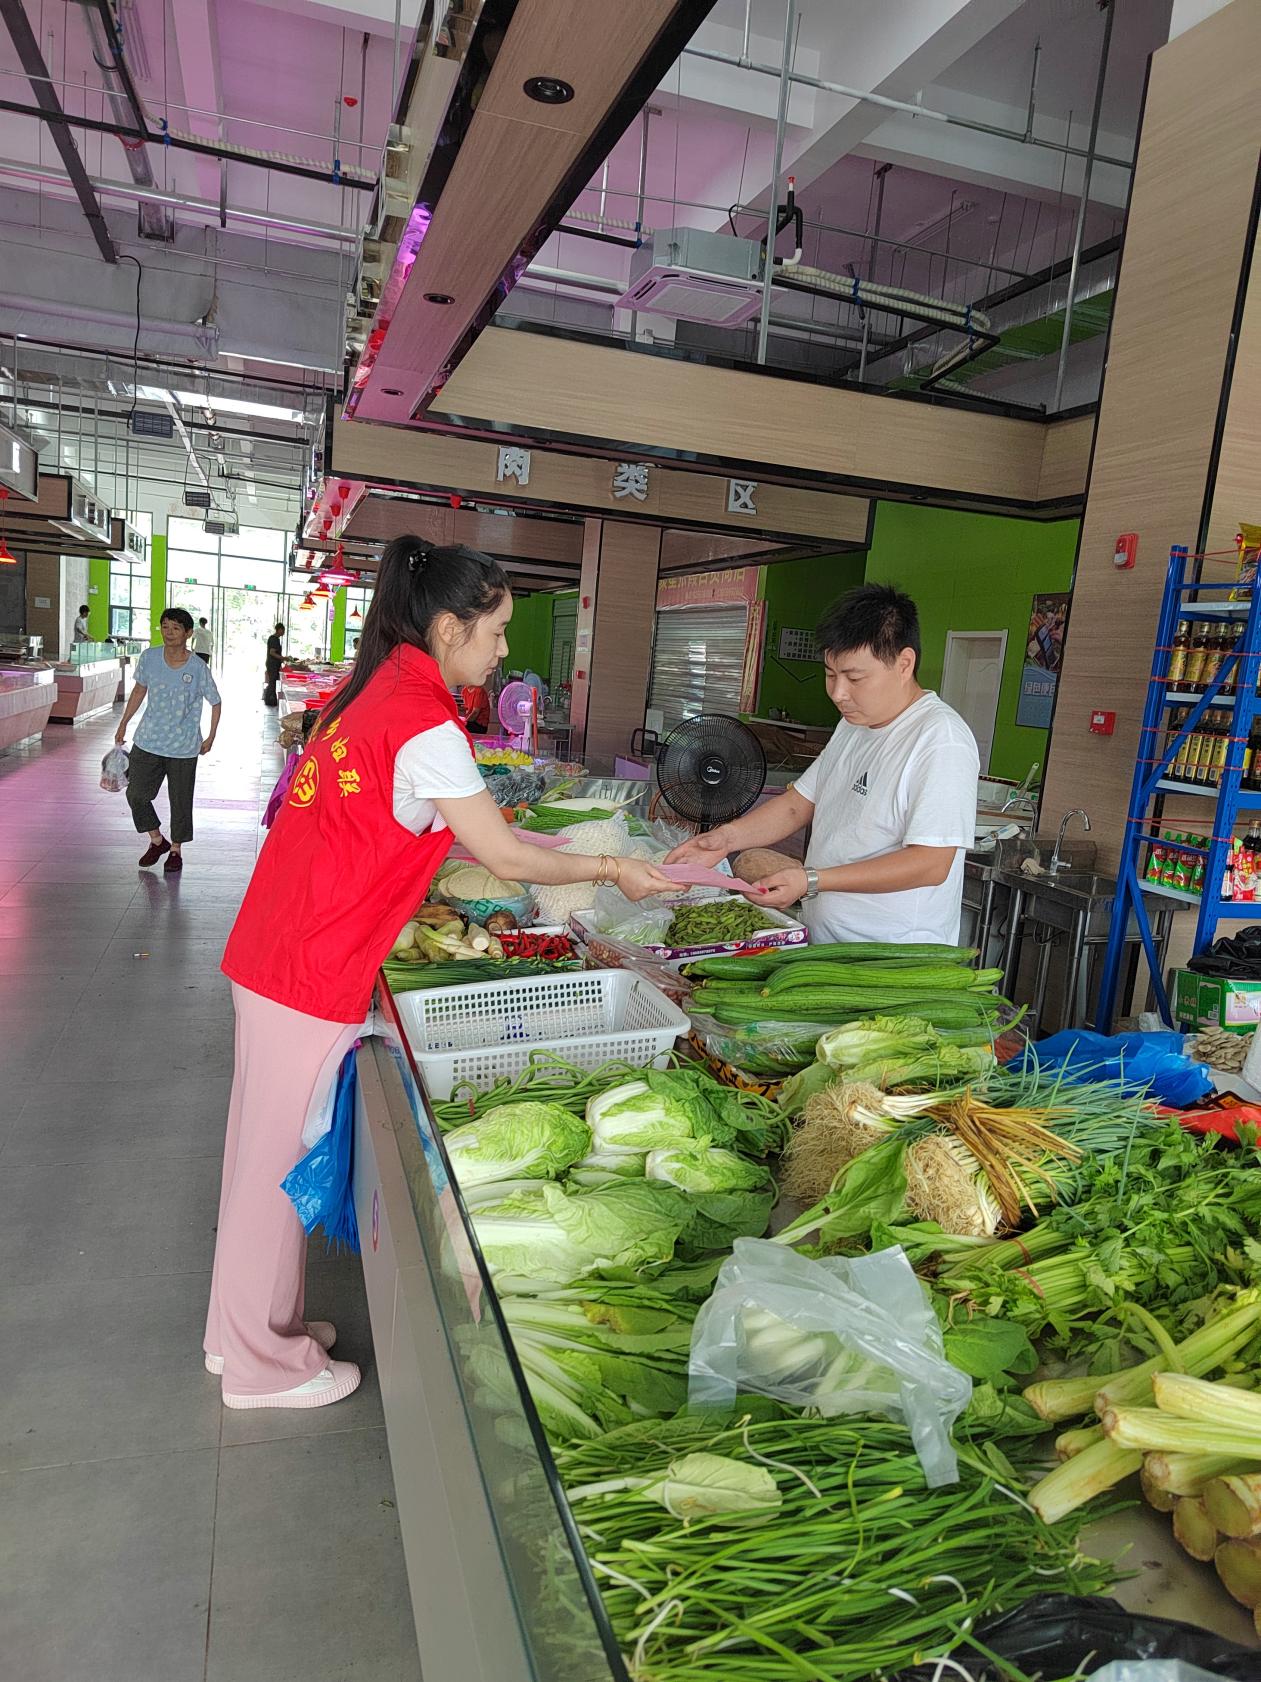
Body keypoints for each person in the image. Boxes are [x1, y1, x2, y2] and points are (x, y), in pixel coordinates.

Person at [210, 540, 674, 1410]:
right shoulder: (424, 720)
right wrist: (613, 871)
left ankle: (246, 1333)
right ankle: (256, 1365)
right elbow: (496, 849)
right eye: (495, 631)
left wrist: (566, 855)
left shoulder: (379, 688)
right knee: (274, 1164)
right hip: (312, 961)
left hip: (280, 945)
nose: (503, 651)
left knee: (256, 1149)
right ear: (452, 626)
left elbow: (441, 829)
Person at [667, 583, 979, 945]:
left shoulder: (940, 739)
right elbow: (799, 804)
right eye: (831, 675)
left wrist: (812, 880)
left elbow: (931, 863)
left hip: (889, 959)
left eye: (854, 678)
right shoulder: (853, 724)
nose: (837, 693)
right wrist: (724, 839)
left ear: (904, 663)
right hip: (827, 944)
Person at [114, 607, 222, 874]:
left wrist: (210, 737)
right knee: (136, 793)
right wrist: (124, 721)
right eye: (165, 627)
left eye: (175, 628)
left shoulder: (198, 667)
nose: (169, 633)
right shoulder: (150, 658)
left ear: (188, 633)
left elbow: (216, 702)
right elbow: (140, 689)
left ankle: (175, 849)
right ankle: (156, 840)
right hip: (148, 740)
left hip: (184, 746)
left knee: (180, 800)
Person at [263, 621, 284, 707]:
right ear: (278, 630)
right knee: (272, 682)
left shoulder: (276, 639)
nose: (283, 632)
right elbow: (272, 652)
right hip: (272, 664)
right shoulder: (273, 639)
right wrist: (282, 658)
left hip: (274, 664)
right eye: (283, 630)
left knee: (273, 682)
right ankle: (269, 699)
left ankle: (270, 699)